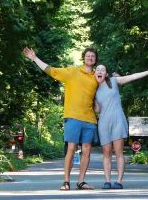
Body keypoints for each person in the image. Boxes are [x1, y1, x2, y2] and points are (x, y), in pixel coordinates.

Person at [23, 46, 99, 191]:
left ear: (95, 60)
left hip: (89, 119)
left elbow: (113, 83)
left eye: (93, 56)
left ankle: (81, 182)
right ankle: (66, 182)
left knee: (87, 150)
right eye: (88, 55)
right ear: (84, 57)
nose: (90, 58)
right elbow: (51, 70)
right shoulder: (72, 72)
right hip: (72, 116)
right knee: (71, 148)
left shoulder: (97, 76)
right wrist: (34, 59)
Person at [93, 63, 148, 190]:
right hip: (103, 123)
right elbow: (97, 110)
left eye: (103, 69)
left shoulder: (113, 81)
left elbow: (133, 76)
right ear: (95, 73)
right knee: (106, 153)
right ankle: (107, 181)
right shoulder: (94, 90)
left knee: (119, 152)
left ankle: (119, 181)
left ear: (106, 74)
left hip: (118, 120)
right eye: (98, 69)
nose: (100, 71)